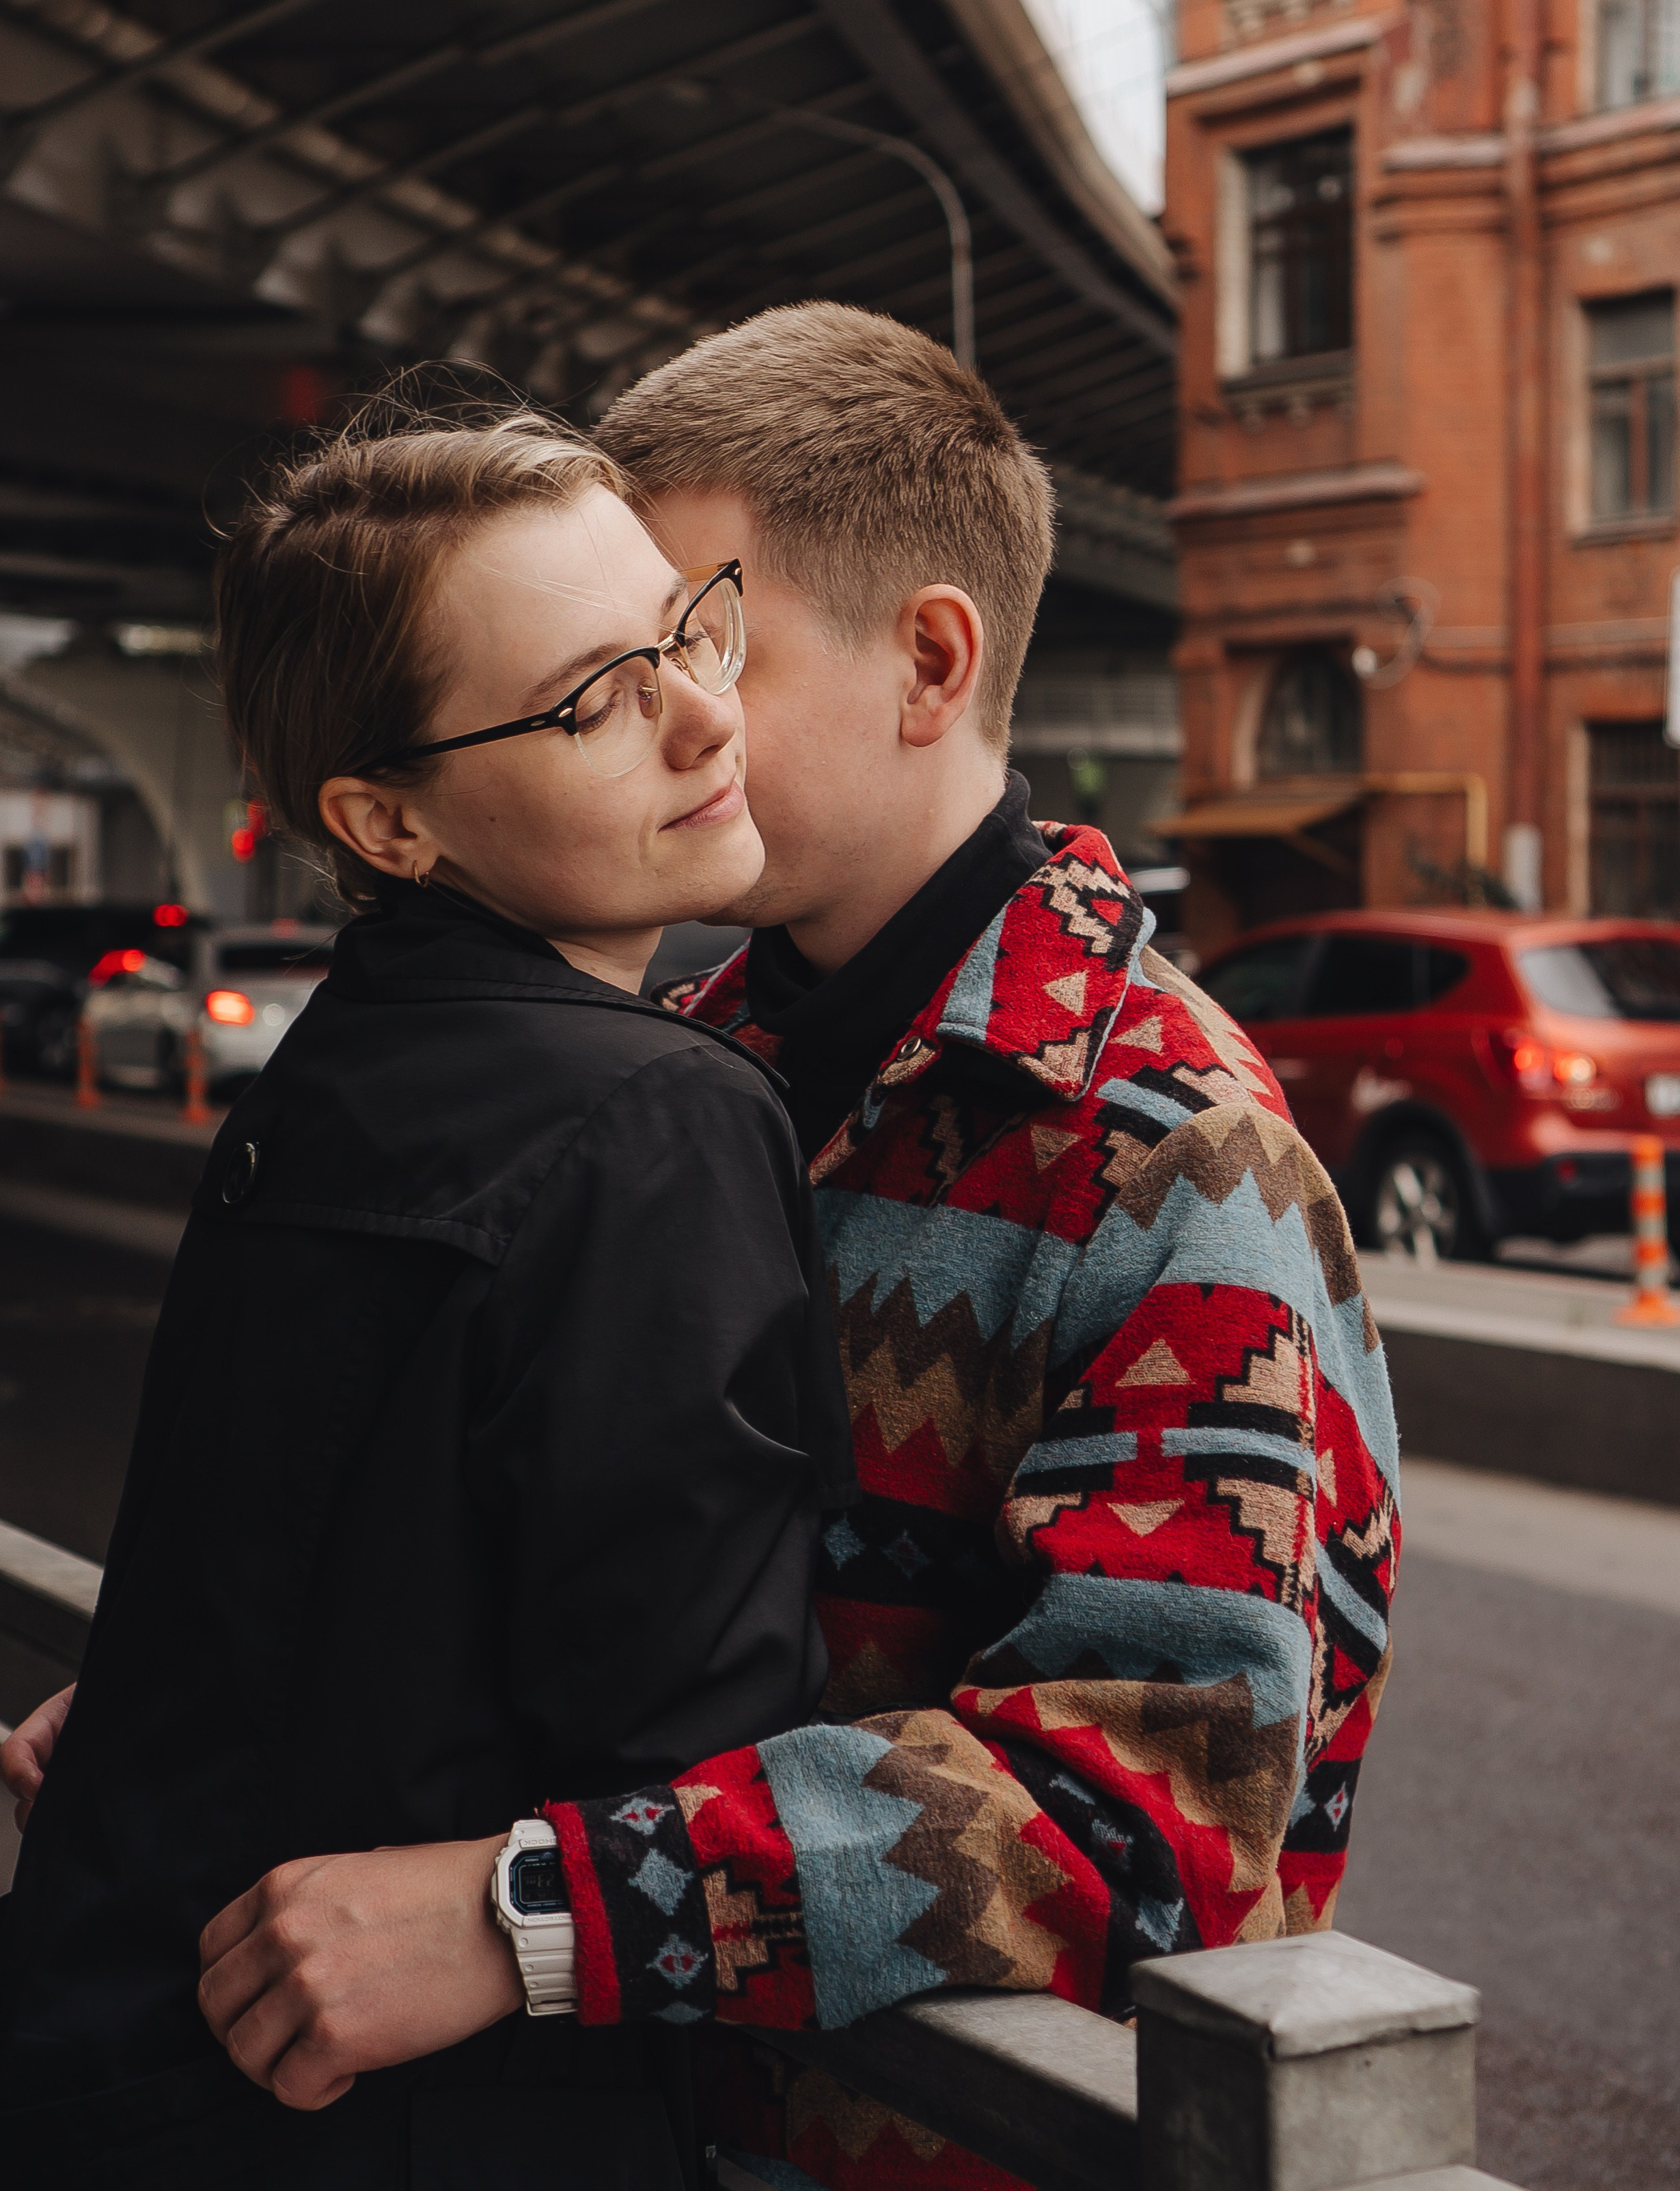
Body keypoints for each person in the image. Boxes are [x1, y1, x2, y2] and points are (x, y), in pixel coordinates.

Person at [9, 308, 1400, 2191]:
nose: (689, 704)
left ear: (930, 660)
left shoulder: (1171, 1157)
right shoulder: (682, 1063)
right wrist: (282, 1700)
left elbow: (1155, 1809)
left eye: (707, 626)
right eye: (614, 668)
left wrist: (534, 1913)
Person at [0, 403, 853, 2188]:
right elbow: (693, 1759)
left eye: (689, 627)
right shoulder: (656, 1115)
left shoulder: (323, 1085)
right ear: (385, 820)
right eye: (591, 697)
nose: (708, 711)